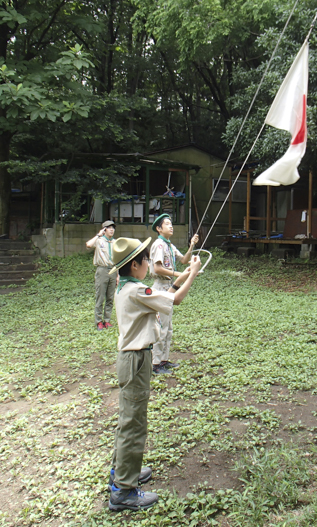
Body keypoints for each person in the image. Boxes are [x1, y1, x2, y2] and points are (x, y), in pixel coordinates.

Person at [107, 236, 201, 511]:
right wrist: (193, 273)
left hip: (132, 358)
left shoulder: (127, 286)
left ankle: (122, 472)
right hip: (136, 360)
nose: (149, 263)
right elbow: (176, 299)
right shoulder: (137, 290)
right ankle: (124, 491)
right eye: (146, 260)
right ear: (135, 265)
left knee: (129, 420)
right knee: (134, 424)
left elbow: (166, 293)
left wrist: (182, 274)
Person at [149, 214, 199, 375]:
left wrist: (191, 246)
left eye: (171, 224)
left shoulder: (169, 245)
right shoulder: (158, 245)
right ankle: (155, 364)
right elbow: (157, 269)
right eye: (167, 224)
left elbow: (184, 260)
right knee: (160, 327)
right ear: (159, 228)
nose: (171, 226)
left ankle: (164, 360)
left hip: (169, 286)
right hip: (160, 287)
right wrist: (179, 275)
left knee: (168, 327)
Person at [86, 220, 117, 330]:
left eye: (113, 227)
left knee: (110, 297)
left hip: (113, 270)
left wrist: (117, 275)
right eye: (109, 228)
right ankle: (99, 321)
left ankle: (107, 320)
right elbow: (88, 245)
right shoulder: (99, 241)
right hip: (102, 270)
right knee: (100, 296)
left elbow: (118, 259)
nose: (111, 229)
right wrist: (98, 235)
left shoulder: (115, 242)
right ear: (104, 230)